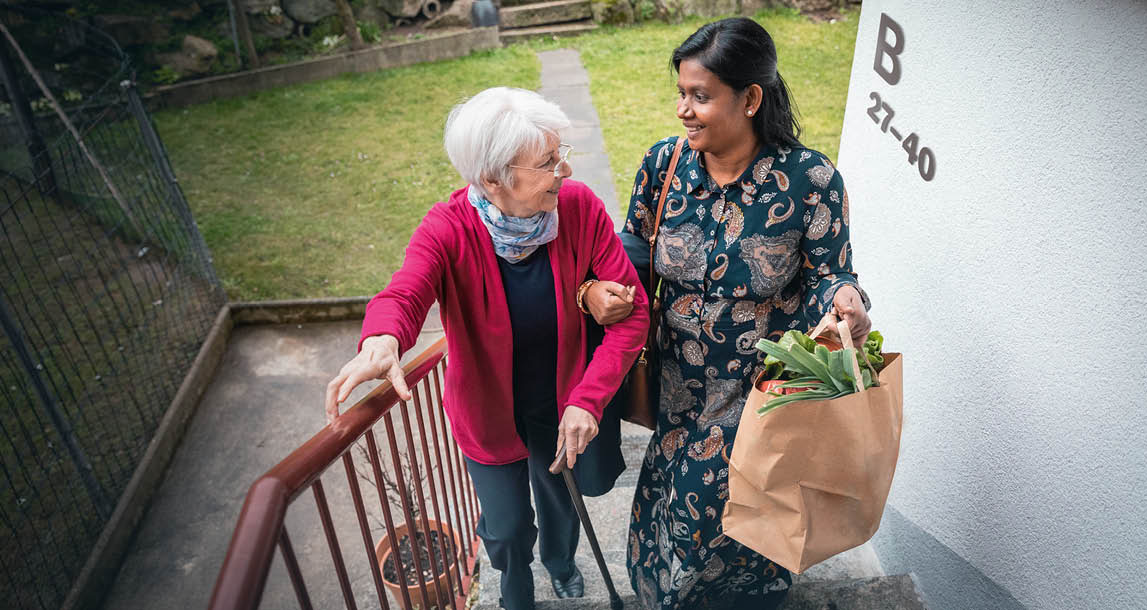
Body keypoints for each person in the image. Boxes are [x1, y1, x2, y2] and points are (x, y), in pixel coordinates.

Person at [581, 17, 873, 610]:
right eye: (682, 94)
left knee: (724, 508)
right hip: (674, 384)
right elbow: (627, 254)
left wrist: (846, 300)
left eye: (700, 96)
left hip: (758, 393)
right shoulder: (664, 166)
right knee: (672, 503)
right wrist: (596, 291)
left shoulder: (809, 180)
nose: (683, 109)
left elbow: (829, 273)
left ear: (750, 99)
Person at [324, 87, 649, 610]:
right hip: (487, 410)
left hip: (560, 399)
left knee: (562, 504)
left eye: (561, 154)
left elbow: (632, 316)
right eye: (548, 162)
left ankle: (561, 563)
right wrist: (383, 338)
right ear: (494, 178)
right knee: (505, 526)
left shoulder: (579, 208)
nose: (564, 171)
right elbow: (406, 290)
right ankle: (513, 585)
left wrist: (588, 399)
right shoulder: (447, 227)